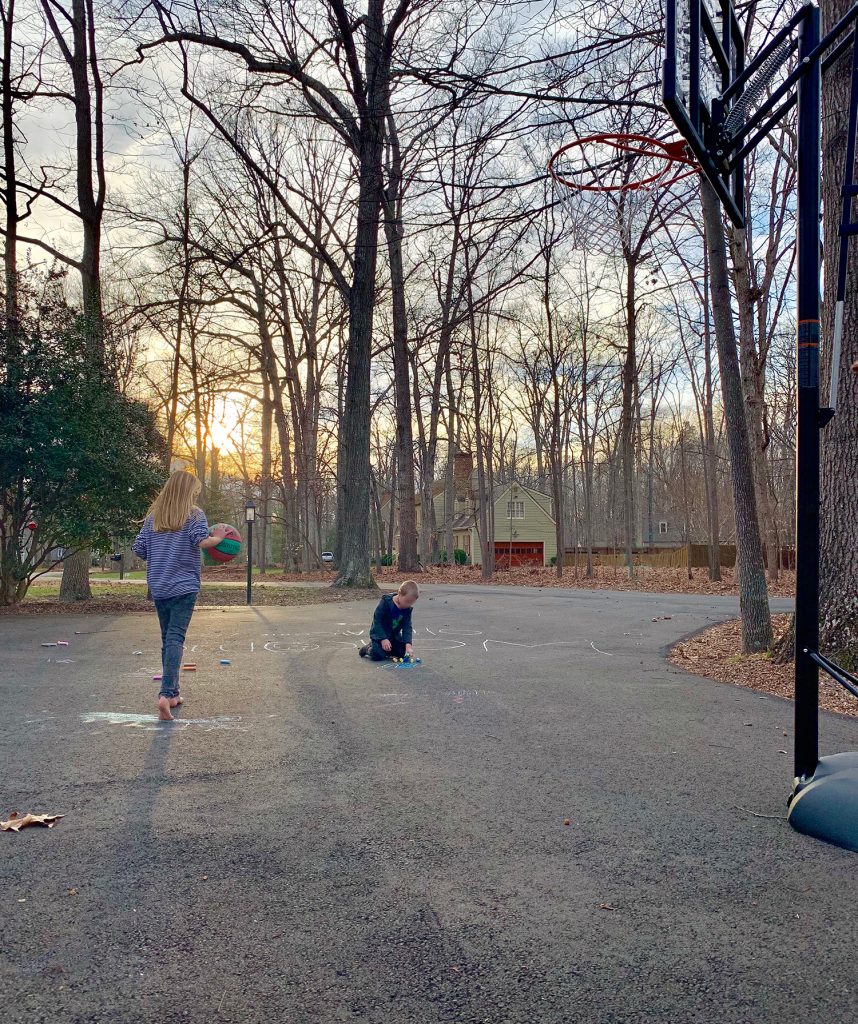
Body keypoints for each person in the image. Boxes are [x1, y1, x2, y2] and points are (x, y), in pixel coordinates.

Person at [133, 470, 226, 720]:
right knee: (175, 638)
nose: (196, 495)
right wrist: (217, 538)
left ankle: (172, 694)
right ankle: (165, 695)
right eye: (194, 491)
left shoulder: (154, 517)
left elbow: (139, 548)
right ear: (187, 492)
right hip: (184, 586)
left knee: (168, 639)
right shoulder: (194, 514)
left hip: (160, 587)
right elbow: (201, 541)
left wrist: (160, 555)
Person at [359, 580, 419, 662]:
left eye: (411, 603)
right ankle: (368, 648)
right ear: (399, 593)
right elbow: (377, 621)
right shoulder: (386, 602)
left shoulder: (407, 610)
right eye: (407, 601)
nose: (408, 605)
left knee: (402, 652)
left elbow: (407, 627)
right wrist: (383, 638)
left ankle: (386, 651)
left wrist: (408, 645)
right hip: (379, 636)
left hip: (393, 637)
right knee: (377, 655)